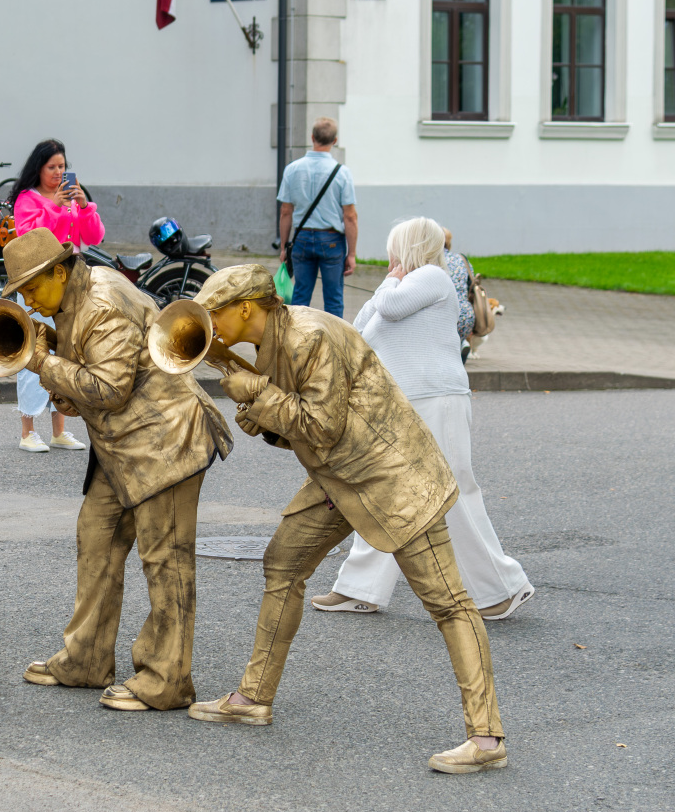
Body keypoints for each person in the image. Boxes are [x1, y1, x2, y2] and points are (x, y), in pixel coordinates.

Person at [184, 264, 508, 775]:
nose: (209, 324)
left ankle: (486, 738)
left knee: (448, 602)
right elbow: (304, 425)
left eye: (214, 313)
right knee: (283, 566)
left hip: (395, 477)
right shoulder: (273, 340)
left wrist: (259, 396)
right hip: (339, 478)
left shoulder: (308, 336)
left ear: (245, 308)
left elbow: (321, 425)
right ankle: (253, 698)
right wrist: (262, 416)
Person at [4, 227, 233, 712]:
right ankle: (86, 659)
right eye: (20, 292)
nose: (27, 301)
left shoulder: (101, 302)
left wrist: (45, 364)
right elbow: (96, 384)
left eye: (31, 288)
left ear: (59, 273)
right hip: (125, 445)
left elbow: (109, 389)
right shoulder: (73, 298)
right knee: (98, 535)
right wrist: (62, 380)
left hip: (165, 443)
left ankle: (167, 680)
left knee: (166, 558)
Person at [313, 219, 533, 620]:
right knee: (387, 494)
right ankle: (359, 589)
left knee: (454, 494)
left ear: (408, 247)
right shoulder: (403, 285)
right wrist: (389, 283)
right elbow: (359, 329)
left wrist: (389, 281)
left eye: (394, 247)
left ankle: (502, 589)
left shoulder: (433, 276)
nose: (389, 255)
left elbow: (390, 308)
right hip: (407, 404)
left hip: (437, 399)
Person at [8, 138, 101, 453]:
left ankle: (59, 430)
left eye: (62, 166)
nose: (58, 172)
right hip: (38, 285)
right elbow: (29, 237)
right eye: (52, 167)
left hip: (69, 285)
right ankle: (28, 431)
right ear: (39, 168)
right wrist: (57, 208)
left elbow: (93, 236)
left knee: (65, 354)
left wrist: (84, 208)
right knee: (34, 351)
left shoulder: (71, 198)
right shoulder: (27, 199)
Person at [276, 117, 357, 317]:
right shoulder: (342, 173)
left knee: (300, 296)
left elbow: (286, 211)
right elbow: (350, 217)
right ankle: (334, 336)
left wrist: (284, 247)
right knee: (334, 298)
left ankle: (296, 335)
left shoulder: (292, 169)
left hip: (302, 238)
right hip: (332, 240)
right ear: (335, 140)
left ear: (312, 137)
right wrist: (352, 254)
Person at [444, 227, 477, 360]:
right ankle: (462, 343)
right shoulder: (461, 259)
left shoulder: (429, 261)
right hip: (466, 316)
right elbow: (471, 284)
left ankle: (458, 345)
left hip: (445, 316)